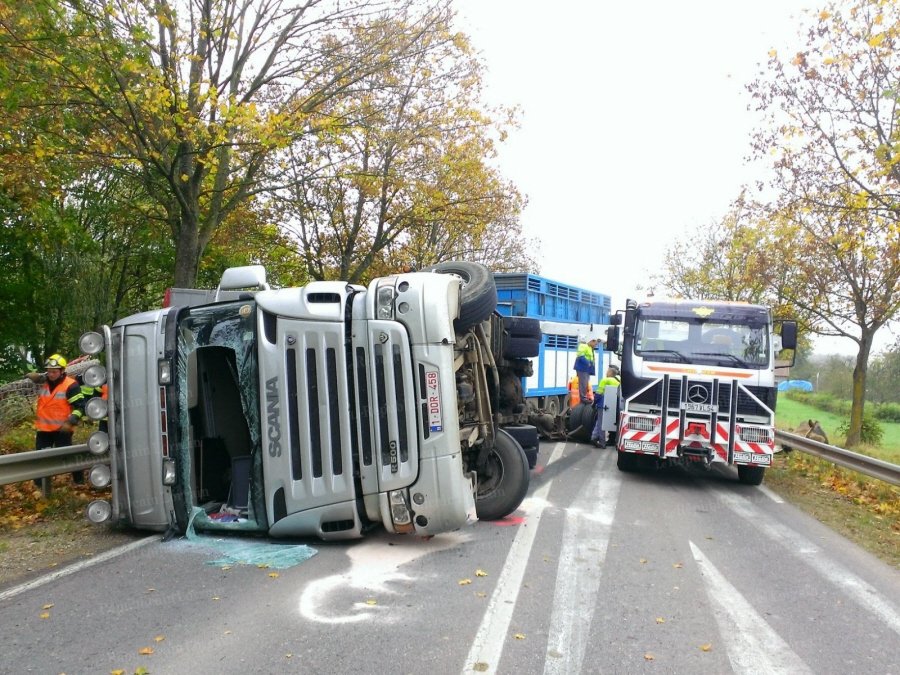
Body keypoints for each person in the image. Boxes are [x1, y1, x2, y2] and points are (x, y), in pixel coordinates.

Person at [26, 354, 87, 485]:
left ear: (62, 371)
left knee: (67, 458)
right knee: (41, 457)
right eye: (49, 371)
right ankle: (40, 486)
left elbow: (81, 407)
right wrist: (31, 375)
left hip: (62, 429)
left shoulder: (71, 386)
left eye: (54, 372)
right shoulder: (44, 381)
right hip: (44, 429)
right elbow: (38, 378)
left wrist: (71, 421)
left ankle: (79, 481)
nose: (51, 374)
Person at [590, 364, 621, 448]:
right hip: (614, 406)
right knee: (608, 423)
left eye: (607, 371)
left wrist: (594, 403)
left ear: (610, 372)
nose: (606, 372)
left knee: (601, 423)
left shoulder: (604, 380)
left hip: (603, 405)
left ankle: (602, 442)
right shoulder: (618, 381)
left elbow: (598, 394)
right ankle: (594, 436)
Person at [573, 336, 598, 402]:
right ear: (592, 341)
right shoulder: (583, 346)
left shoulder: (590, 348)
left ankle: (584, 397)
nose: (596, 345)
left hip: (587, 369)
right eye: (595, 343)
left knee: (585, 383)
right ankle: (583, 398)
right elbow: (580, 356)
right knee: (583, 383)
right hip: (582, 368)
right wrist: (588, 363)